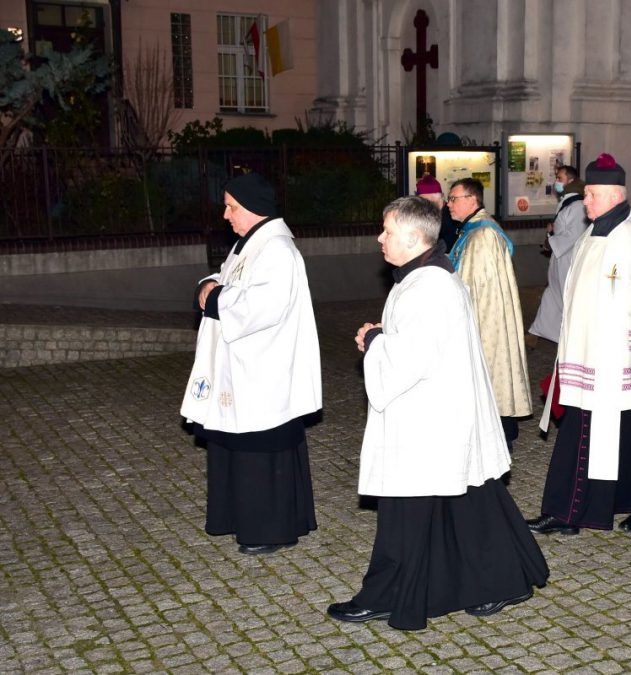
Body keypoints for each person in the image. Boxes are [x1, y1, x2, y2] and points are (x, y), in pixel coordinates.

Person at [327, 197, 548, 630]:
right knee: (464, 503)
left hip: (431, 420)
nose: (380, 238)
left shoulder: (428, 286)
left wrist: (374, 342)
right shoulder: (427, 277)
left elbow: (409, 361)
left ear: (413, 237)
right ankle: (505, 580)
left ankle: (388, 594)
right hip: (439, 415)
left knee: (422, 509)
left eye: (387, 231)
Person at [528, 153, 631, 535]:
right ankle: (567, 512)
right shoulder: (590, 236)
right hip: (587, 359)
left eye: (591, 195)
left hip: (626, 361)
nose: (585, 202)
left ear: (613, 195)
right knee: (580, 434)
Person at [180, 172, 321, 555]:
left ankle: (269, 529)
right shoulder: (250, 245)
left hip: (264, 371)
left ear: (254, 209)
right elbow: (224, 280)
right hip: (242, 369)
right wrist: (205, 289)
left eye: (232, 207)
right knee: (234, 445)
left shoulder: (277, 251)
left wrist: (214, 297)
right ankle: (237, 517)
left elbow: (260, 306)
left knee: (262, 448)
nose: (226, 214)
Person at [446, 178, 532, 450]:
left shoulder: (483, 236)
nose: (449, 204)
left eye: (454, 198)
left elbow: (478, 289)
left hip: (485, 321)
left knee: (491, 373)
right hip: (480, 316)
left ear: (472, 200)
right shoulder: (472, 230)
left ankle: (498, 437)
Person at [528, 165, 589, 345]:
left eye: (559, 177)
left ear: (570, 180)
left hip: (568, 260)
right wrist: (552, 233)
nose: (556, 181)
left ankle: (576, 340)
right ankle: (535, 332)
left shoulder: (577, 204)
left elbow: (574, 233)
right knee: (551, 297)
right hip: (560, 259)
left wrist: (551, 242)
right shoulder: (567, 202)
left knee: (566, 299)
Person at [415, 174, 458, 253]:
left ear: (442, 198)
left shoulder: (452, 217)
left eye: (432, 201)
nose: (426, 207)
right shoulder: (424, 215)